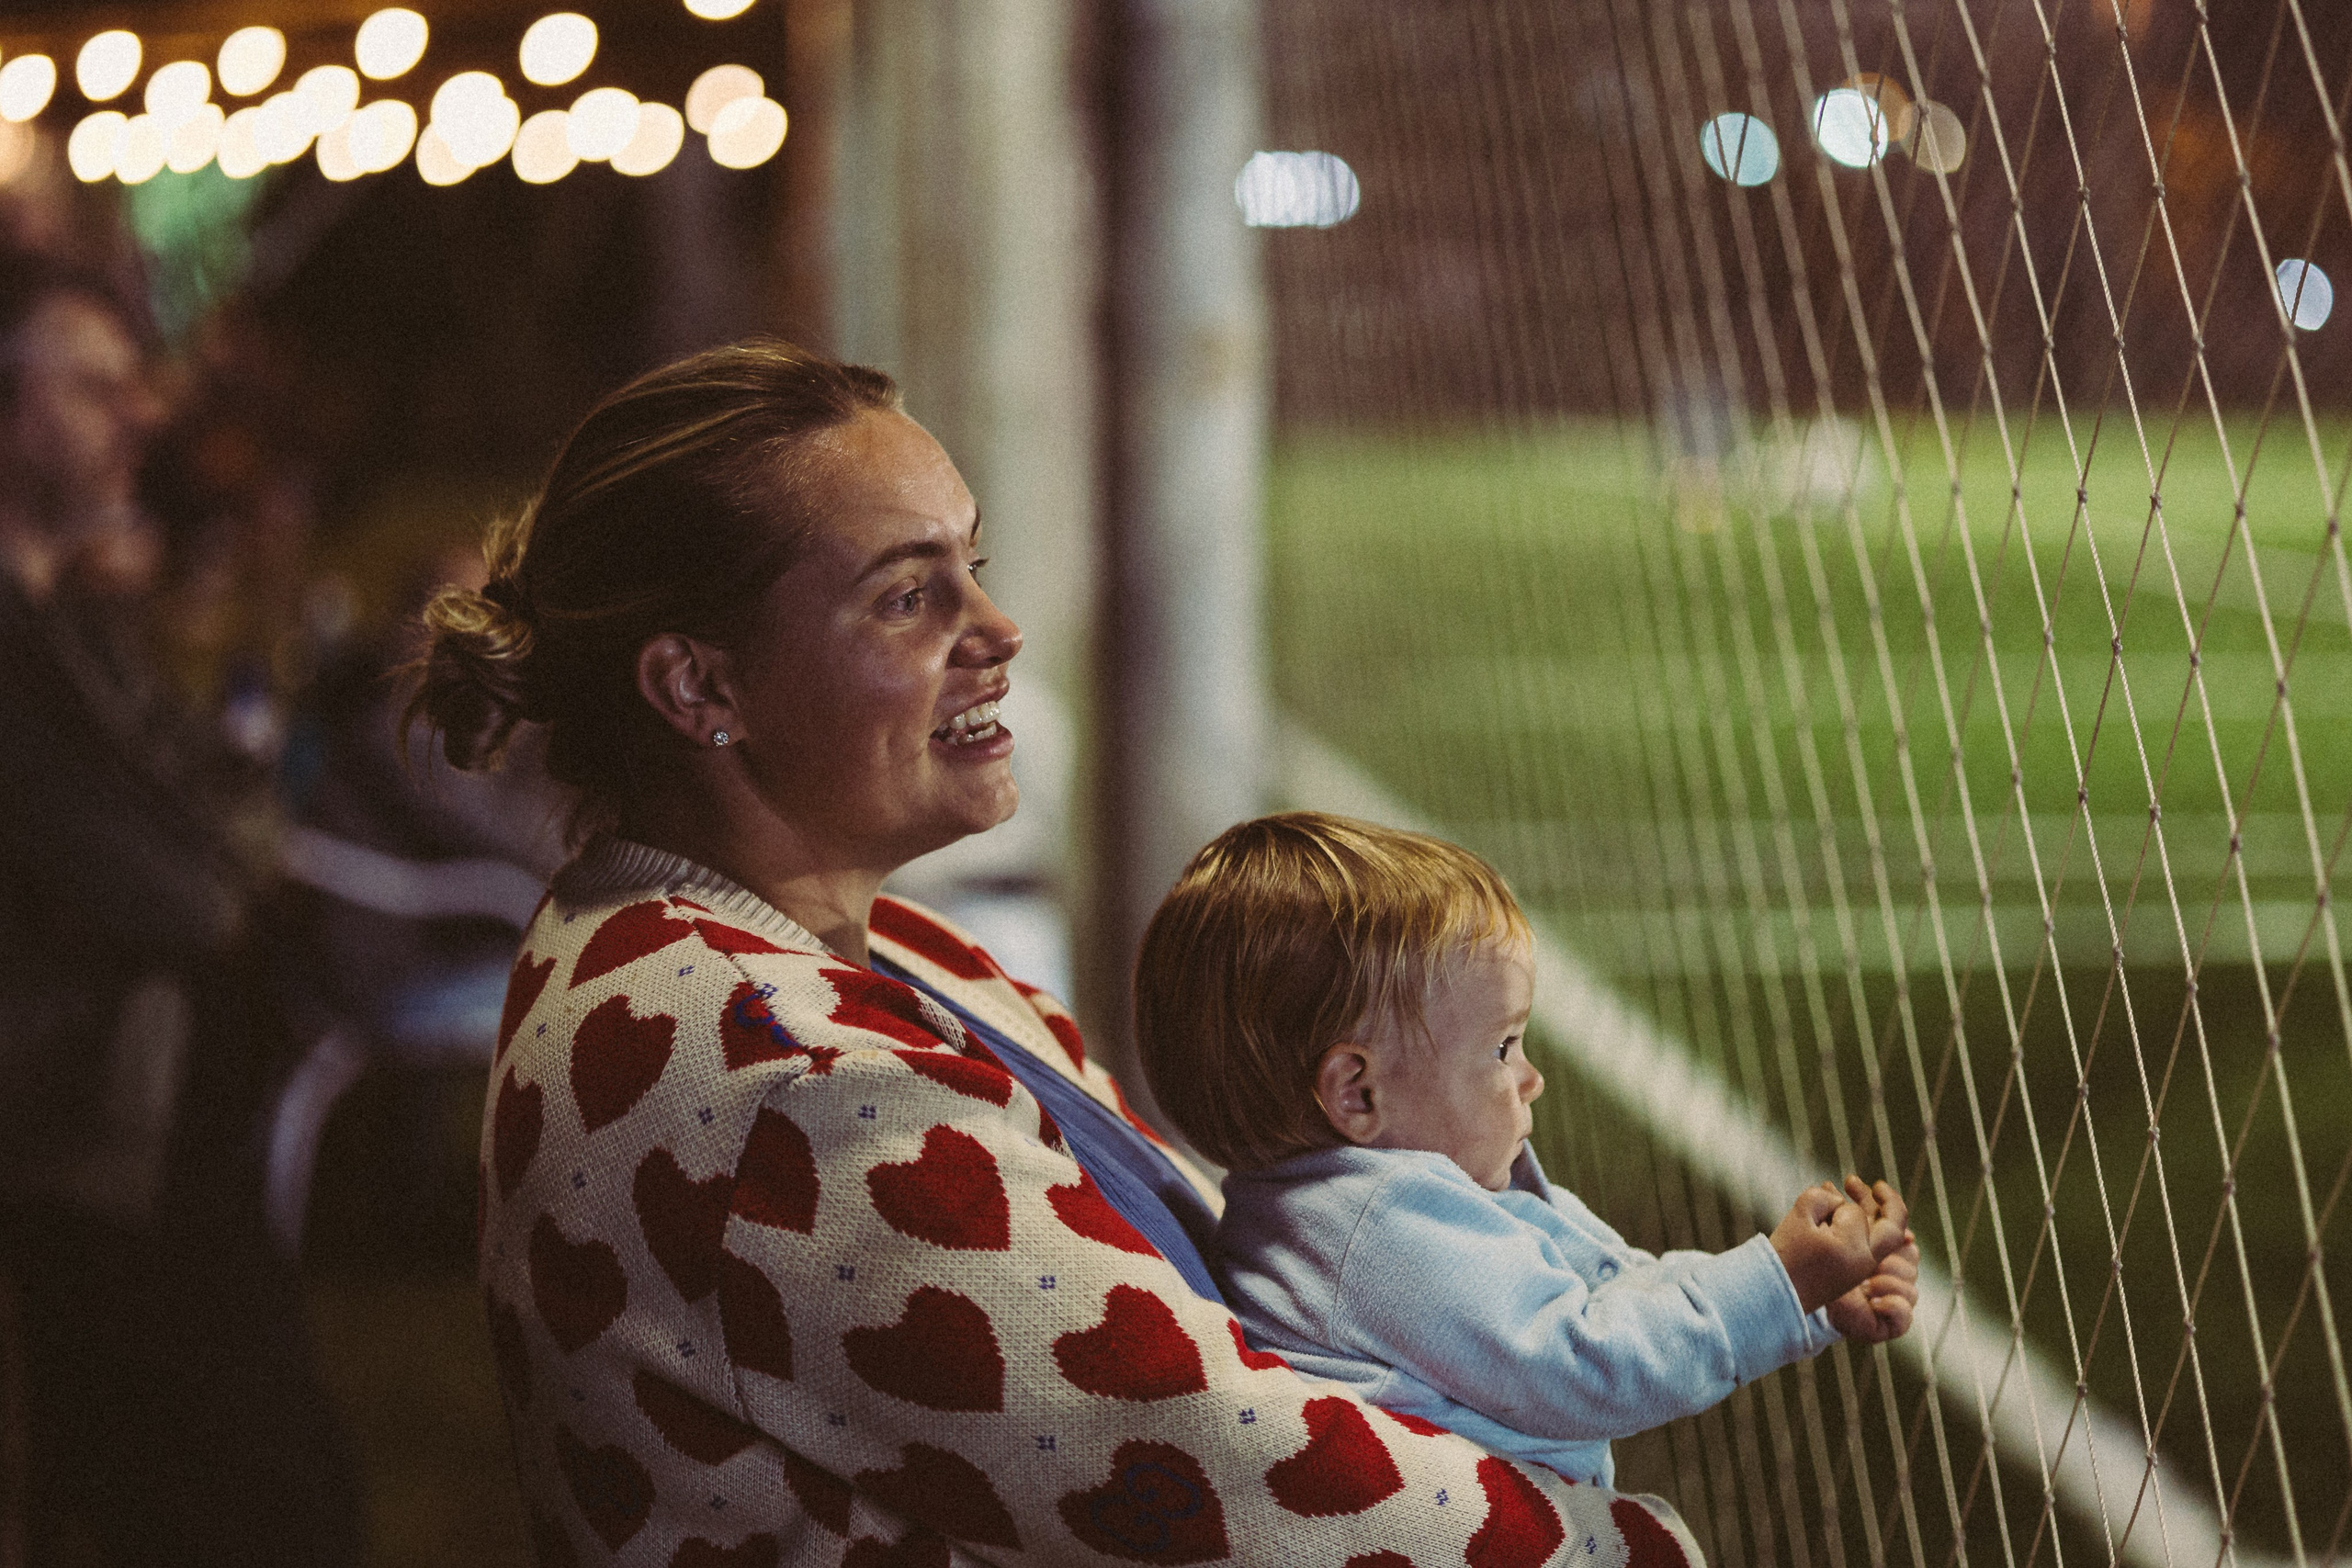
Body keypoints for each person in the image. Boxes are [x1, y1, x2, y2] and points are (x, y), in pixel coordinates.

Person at [416, 338, 1711, 1565]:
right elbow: (1251, 1483)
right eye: (908, 593)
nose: (996, 628)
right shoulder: (789, 1083)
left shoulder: (728, 930)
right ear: (701, 689)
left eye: (973, 565)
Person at [1131, 813, 1921, 1489]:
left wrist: (1809, 1297)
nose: (1532, 1077)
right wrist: (1780, 1279)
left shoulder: (1329, 1205)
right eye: (1503, 1046)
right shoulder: (1378, 1231)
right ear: (1357, 1093)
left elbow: (1612, 1293)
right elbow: (1587, 1360)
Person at [0, 251, 363, 1564]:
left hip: (159, 1126)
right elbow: (183, 889)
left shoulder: (76, 617)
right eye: (97, 385)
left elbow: (235, 806)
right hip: (84, 1145)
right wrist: (222, 857)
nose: (145, 413)